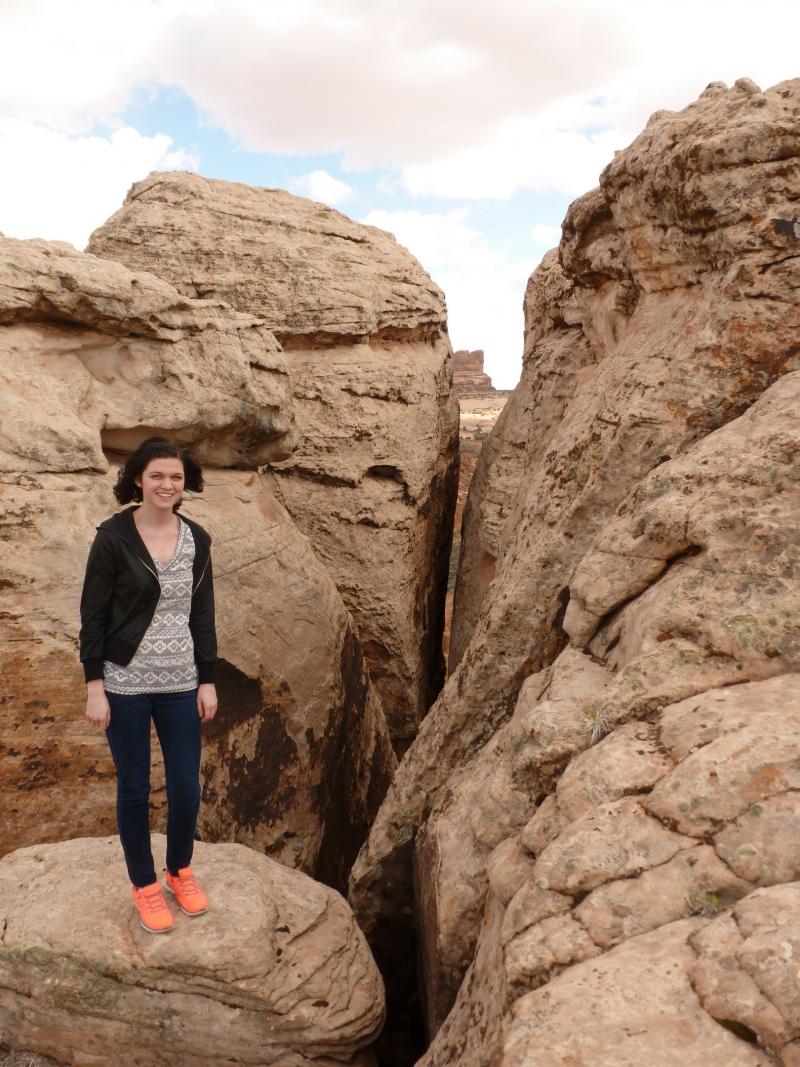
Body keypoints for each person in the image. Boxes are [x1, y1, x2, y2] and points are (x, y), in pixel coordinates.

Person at [80, 436, 218, 933]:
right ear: (138, 478)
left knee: (186, 786)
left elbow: (202, 614)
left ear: (186, 484)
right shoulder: (113, 537)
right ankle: (144, 885)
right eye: (157, 475)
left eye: (176, 477)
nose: (167, 485)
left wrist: (208, 679)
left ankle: (179, 870)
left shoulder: (197, 538)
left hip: (181, 680)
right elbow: (92, 617)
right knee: (135, 789)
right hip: (124, 683)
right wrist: (95, 683)